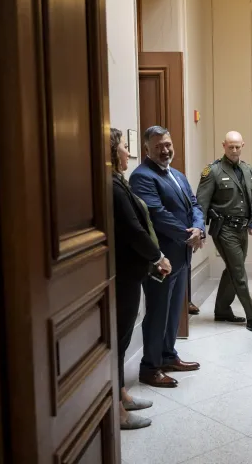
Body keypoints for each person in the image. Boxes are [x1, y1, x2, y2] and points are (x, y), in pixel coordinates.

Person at [130, 126, 204, 388]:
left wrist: (199, 229)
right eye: (159, 145)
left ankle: (168, 355)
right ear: (147, 149)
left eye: (168, 144)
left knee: (174, 311)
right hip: (161, 260)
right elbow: (157, 215)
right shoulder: (142, 177)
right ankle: (150, 367)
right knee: (158, 312)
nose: (165, 150)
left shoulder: (178, 175)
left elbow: (195, 205)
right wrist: (189, 234)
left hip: (182, 255)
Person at [110, 128, 171, 428]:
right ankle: (117, 413)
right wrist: (157, 256)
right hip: (123, 274)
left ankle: (121, 395)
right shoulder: (112, 185)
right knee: (118, 341)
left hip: (130, 273)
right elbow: (134, 230)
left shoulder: (117, 181)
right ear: (112, 153)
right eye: (123, 147)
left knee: (120, 340)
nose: (127, 152)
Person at [196, 131, 252, 331]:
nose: (234, 150)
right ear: (224, 145)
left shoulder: (248, 170)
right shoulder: (213, 171)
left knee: (233, 269)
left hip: (242, 229)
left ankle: (222, 310)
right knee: (239, 272)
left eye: (237, 146)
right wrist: (199, 229)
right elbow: (201, 203)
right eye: (230, 146)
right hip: (224, 229)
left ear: (243, 145)